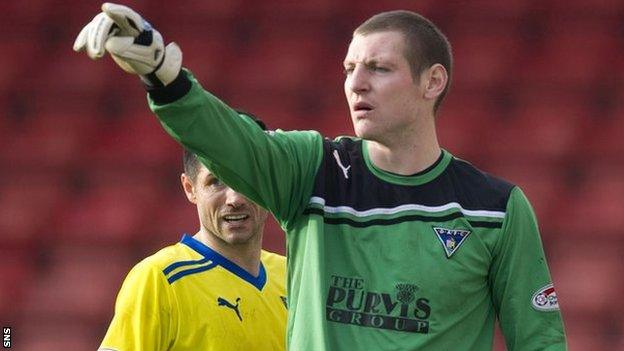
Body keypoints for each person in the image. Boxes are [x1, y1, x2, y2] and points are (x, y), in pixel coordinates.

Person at [76, 3, 566, 350]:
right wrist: (164, 74)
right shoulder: (312, 170)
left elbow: (540, 342)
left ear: (431, 81)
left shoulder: (495, 208)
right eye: (350, 68)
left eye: (378, 68)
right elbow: (230, 142)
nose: (356, 83)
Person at [97, 122, 288, 350]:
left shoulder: (292, 277)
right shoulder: (160, 279)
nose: (235, 199)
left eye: (247, 180)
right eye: (215, 181)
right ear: (190, 188)